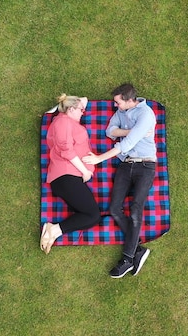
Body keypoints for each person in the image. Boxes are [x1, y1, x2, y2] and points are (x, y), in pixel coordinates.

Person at [83, 83, 156, 278]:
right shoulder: (122, 113)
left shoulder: (146, 115)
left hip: (145, 166)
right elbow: (110, 131)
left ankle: (127, 258)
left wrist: (99, 158)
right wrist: (129, 131)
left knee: (135, 208)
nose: (115, 106)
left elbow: (128, 144)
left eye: (117, 102)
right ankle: (138, 250)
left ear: (129, 100)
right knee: (115, 209)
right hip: (125, 165)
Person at [41, 94, 101, 254]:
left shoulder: (69, 121)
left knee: (90, 215)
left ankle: (54, 231)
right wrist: (84, 171)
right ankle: (53, 229)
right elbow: (66, 150)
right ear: (71, 109)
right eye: (81, 110)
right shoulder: (62, 121)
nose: (84, 112)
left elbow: (85, 99)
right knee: (93, 215)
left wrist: (72, 104)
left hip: (70, 177)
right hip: (66, 176)